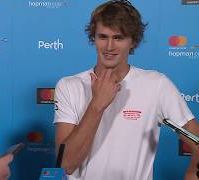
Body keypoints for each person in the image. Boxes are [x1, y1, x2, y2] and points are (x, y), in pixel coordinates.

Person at [53, 1, 199, 180]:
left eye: (118, 38)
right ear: (94, 38)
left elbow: (197, 142)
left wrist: (192, 173)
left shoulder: (157, 84)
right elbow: (65, 165)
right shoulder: (69, 86)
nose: (109, 47)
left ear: (133, 41)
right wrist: (96, 106)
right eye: (103, 37)